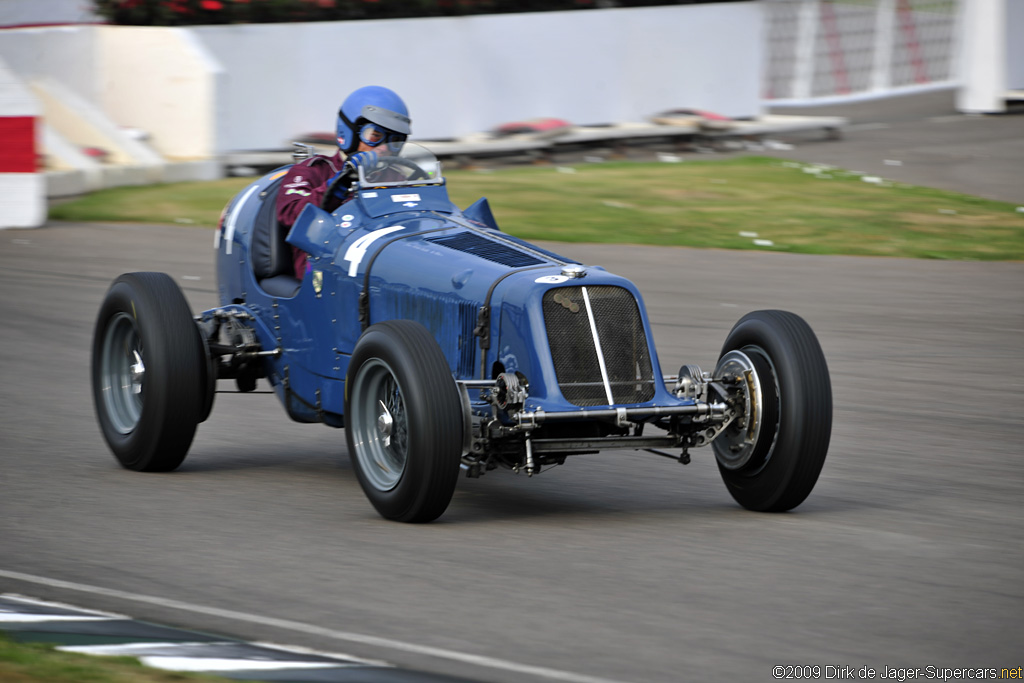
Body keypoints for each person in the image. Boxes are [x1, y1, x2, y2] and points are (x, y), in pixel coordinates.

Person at [276, 85, 411, 279]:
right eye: (375, 136)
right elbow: (290, 215)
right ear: (349, 132)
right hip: (321, 274)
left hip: (380, 268)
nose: (384, 148)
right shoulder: (312, 170)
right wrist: (338, 185)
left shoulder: (396, 178)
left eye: (394, 141)